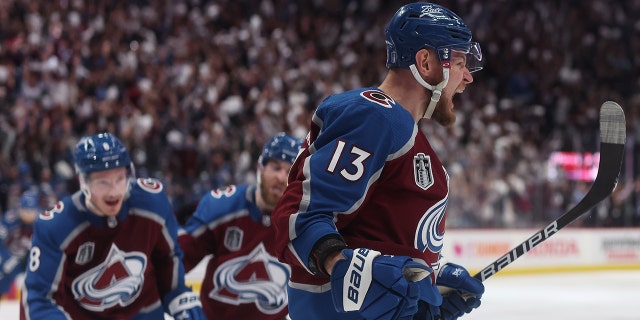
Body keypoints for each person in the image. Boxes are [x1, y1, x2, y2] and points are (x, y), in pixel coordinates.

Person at [272, 3, 486, 320]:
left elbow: (385, 251)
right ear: (425, 62)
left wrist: (427, 292)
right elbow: (300, 215)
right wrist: (341, 264)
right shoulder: (374, 115)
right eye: (458, 62)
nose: (468, 76)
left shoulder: (405, 133)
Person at [21, 132, 205, 320]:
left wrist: (180, 297)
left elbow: (168, 260)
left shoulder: (152, 203)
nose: (113, 191)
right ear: (83, 182)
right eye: (103, 182)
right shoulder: (56, 226)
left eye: (119, 178)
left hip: (141, 313)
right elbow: (39, 299)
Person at [178, 132, 302, 320]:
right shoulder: (224, 208)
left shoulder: (303, 224)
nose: (281, 177)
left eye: (289, 172)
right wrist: (182, 302)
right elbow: (174, 262)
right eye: (276, 167)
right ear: (260, 167)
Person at [0, 190, 41, 295]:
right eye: (26, 211)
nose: (28, 215)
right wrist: (6, 257)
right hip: (8, 256)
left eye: (31, 211)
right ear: (20, 209)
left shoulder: (42, 222)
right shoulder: (9, 219)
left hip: (29, 259)